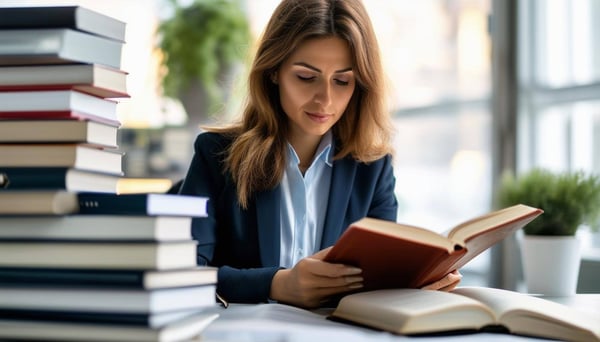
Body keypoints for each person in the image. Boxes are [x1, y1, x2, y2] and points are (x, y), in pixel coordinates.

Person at [179, 0, 461, 309]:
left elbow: (377, 280)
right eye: (306, 77)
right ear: (273, 71)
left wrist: (415, 286)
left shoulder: (373, 168)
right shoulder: (215, 155)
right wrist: (277, 284)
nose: (325, 99)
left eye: (342, 81)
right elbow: (181, 275)